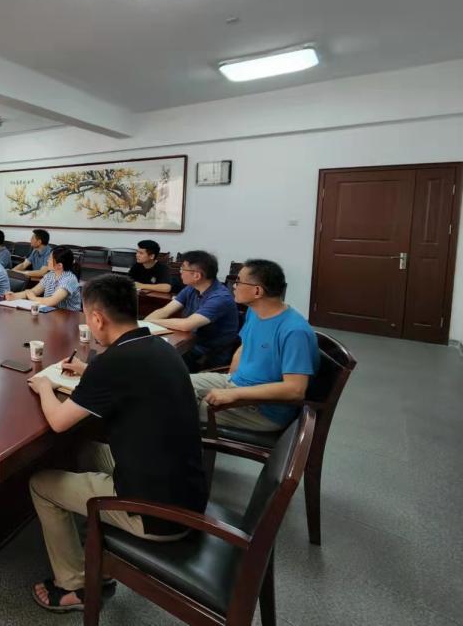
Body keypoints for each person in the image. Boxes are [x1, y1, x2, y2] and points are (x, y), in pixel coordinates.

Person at [27, 274, 207, 612]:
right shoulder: (157, 346)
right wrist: (88, 370)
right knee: (85, 449)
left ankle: (74, 585)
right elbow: (125, 378)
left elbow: (59, 422)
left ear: (97, 318)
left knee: (40, 484)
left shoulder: (113, 363)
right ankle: (90, 536)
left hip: (155, 513)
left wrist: (44, 386)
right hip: (187, 491)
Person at [191, 259, 318, 431]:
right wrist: (230, 381)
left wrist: (234, 393)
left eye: (238, 282)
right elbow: (244, 346)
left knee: (174, 405)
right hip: (235, 383)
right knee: (174, 382)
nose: (233, 286)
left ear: (257, 291)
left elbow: (295, 390)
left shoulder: (294, 331)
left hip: (262, 409)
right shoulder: (254, 312)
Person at [144, 250, 240, 371]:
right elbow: (164, 311)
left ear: (196, 275)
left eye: (183, 268)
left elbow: (186, 325)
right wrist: (145, 323)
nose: (180, 272)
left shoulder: (220, 297)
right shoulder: (191, 288)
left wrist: (151, 322)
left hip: (207, 356)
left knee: (155, 363)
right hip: (190, 345)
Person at [6, 246, 81, 311]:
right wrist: (14, 296)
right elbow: (33, 291)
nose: (47, 260)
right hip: (51, 313)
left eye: (50, 259)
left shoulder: (69, 279)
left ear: (59, 265)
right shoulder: (50, 275)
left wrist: (33, 298)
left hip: (69, 316)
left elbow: (51, 301)